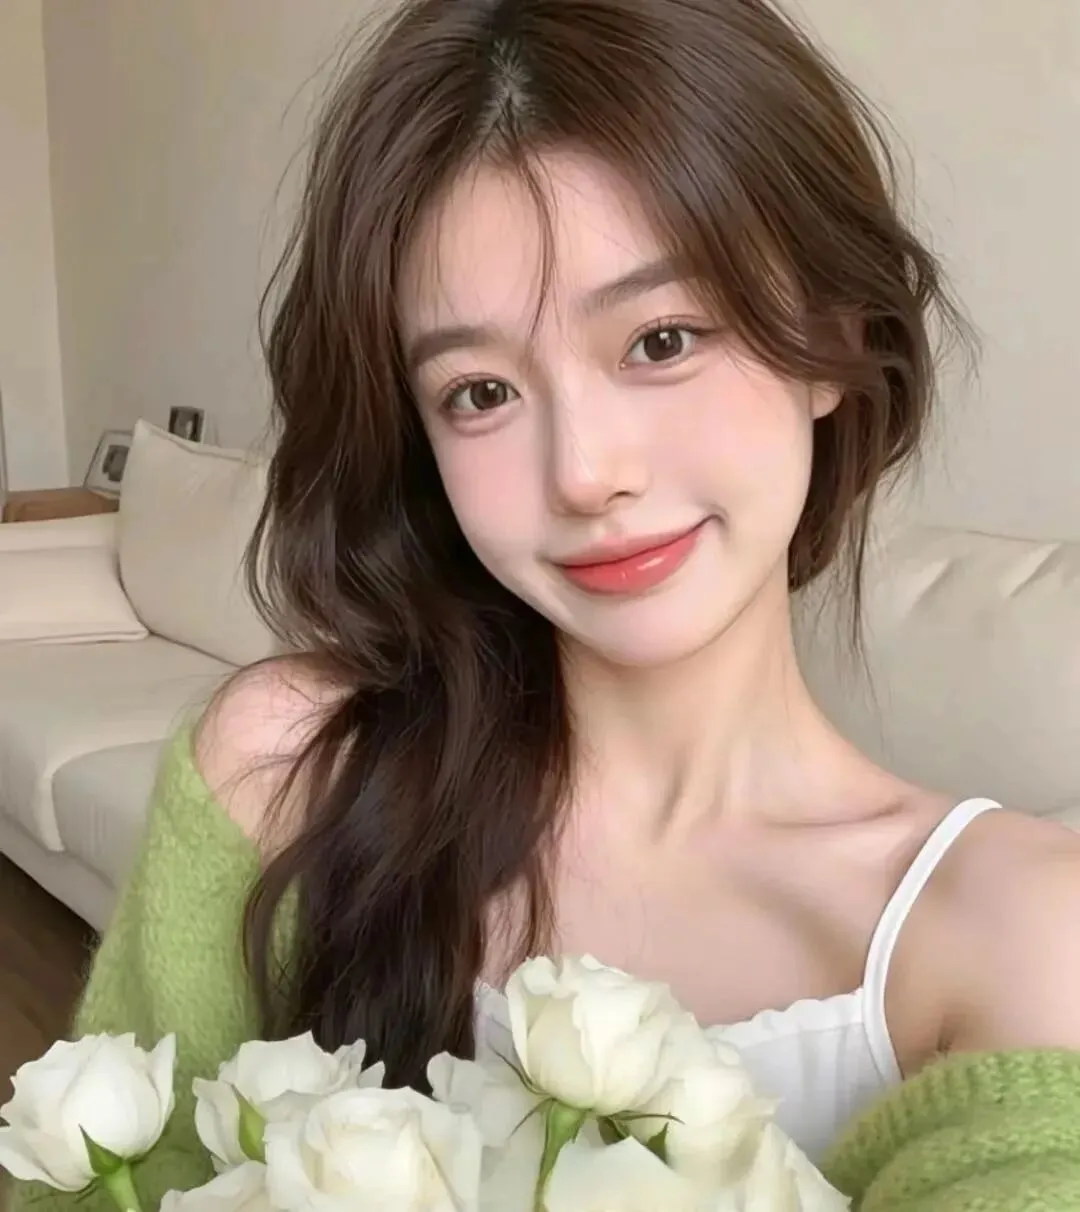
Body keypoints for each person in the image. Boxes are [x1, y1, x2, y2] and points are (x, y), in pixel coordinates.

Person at [11, 0, 1080, 1206]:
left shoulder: (1022, 937)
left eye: (661, 339)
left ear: (831, 334)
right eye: (479, 392)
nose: (584, 473)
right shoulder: (283, 776)